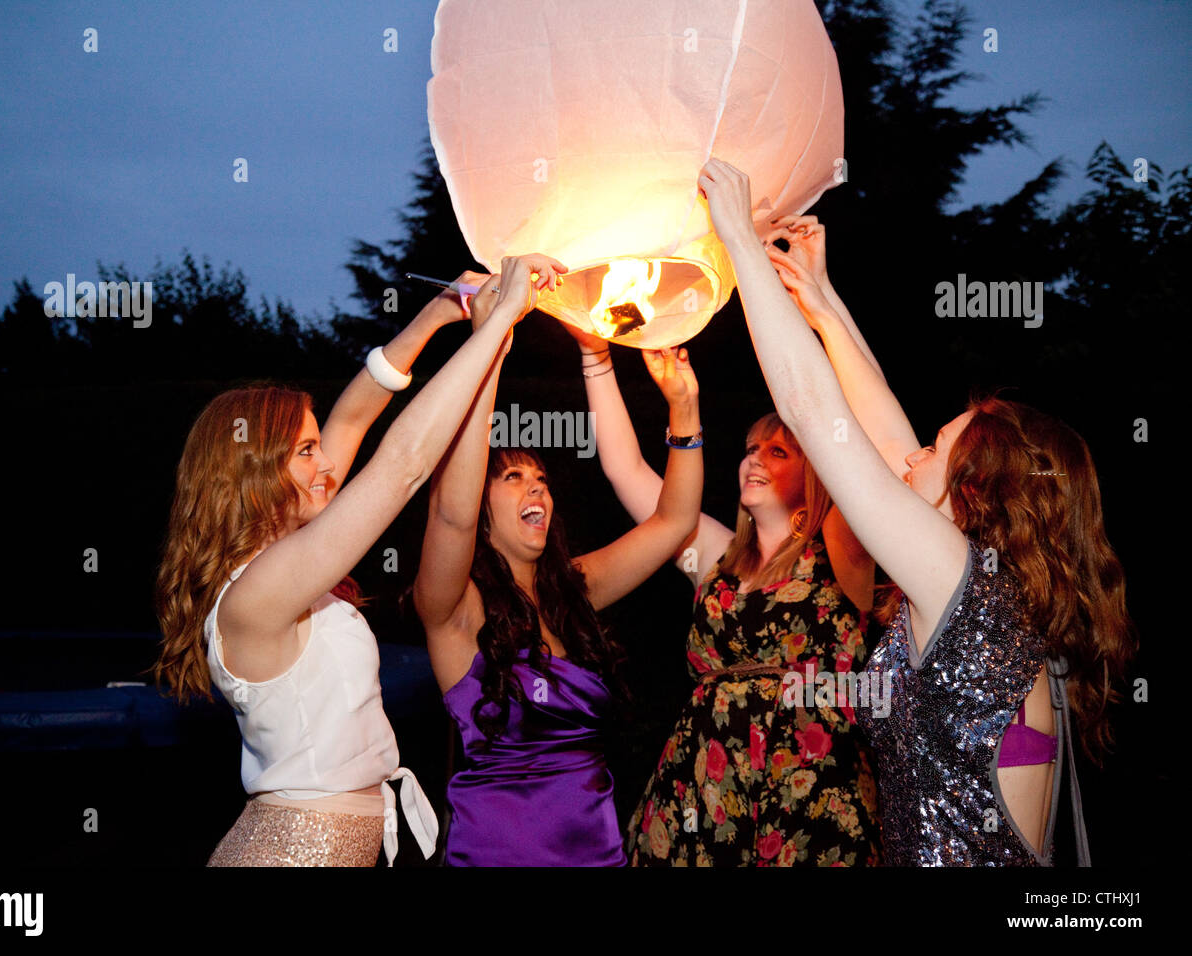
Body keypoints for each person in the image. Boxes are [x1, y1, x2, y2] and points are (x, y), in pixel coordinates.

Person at [697, 157, 1134, 865]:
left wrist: (739, 243)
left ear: (976, 494)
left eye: (935, 449)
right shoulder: (995, 598)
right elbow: (880, 428)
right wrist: (822, 301)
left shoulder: (966, 586)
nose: (910, 459)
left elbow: (816, 415)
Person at [153, 254, 565, 866]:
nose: (328, 467)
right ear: (252, 474)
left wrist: (441, 309)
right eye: (307, 450)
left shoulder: (283, 561)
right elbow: (401, 467)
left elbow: (354, 413)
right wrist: (497, 321)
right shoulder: (257, 593)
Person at [567, 326, 880, 866]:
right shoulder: (710, 554)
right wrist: (595, 354)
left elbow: (862, 440)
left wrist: (817, 309)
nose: (754, 459)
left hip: (811, 790)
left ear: (816, 472)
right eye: (750, 449)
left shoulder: (845, 552)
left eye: (777, 450)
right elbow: (624, 468)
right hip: (702, 787)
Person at [412, 298, 704, 865]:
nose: (537, 489)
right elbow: (450, 515)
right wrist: (489, 346)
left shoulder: (575, 588)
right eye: (514, 477)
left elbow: (674, 523)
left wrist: (684, 409)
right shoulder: (455, 609)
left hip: (596, 848)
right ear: (479, 501)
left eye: (542, 479)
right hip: (499, 853)